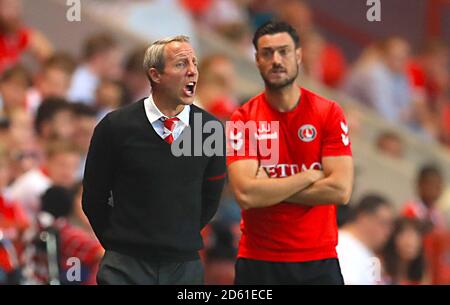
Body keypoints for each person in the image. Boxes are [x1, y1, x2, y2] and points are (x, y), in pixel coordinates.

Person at [82, 35, 226, 285]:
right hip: (125, 266)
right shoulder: (116, 126)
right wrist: (121, 244)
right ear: (155, 75)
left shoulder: (208, 129)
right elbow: (94, 198)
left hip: (184, 268)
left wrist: (177, 237)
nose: (192, 71)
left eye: (194, 63)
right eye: (181, 64)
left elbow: (211, 198)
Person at [227, 21, 353, 285]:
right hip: (259, 262)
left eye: (284, 51)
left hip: (318, 262)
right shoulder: (243, 119)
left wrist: (268, 188)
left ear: (298, 55)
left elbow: (340, 190)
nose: (276, 60)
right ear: (257, 60)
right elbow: (247, 194)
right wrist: (309, 176)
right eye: (267, 53)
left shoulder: (327, 112)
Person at [337, 194, 394, 285]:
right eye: (384, 223)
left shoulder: (363, 249)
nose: (388, 232)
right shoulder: (343, 245)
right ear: (364, 218)